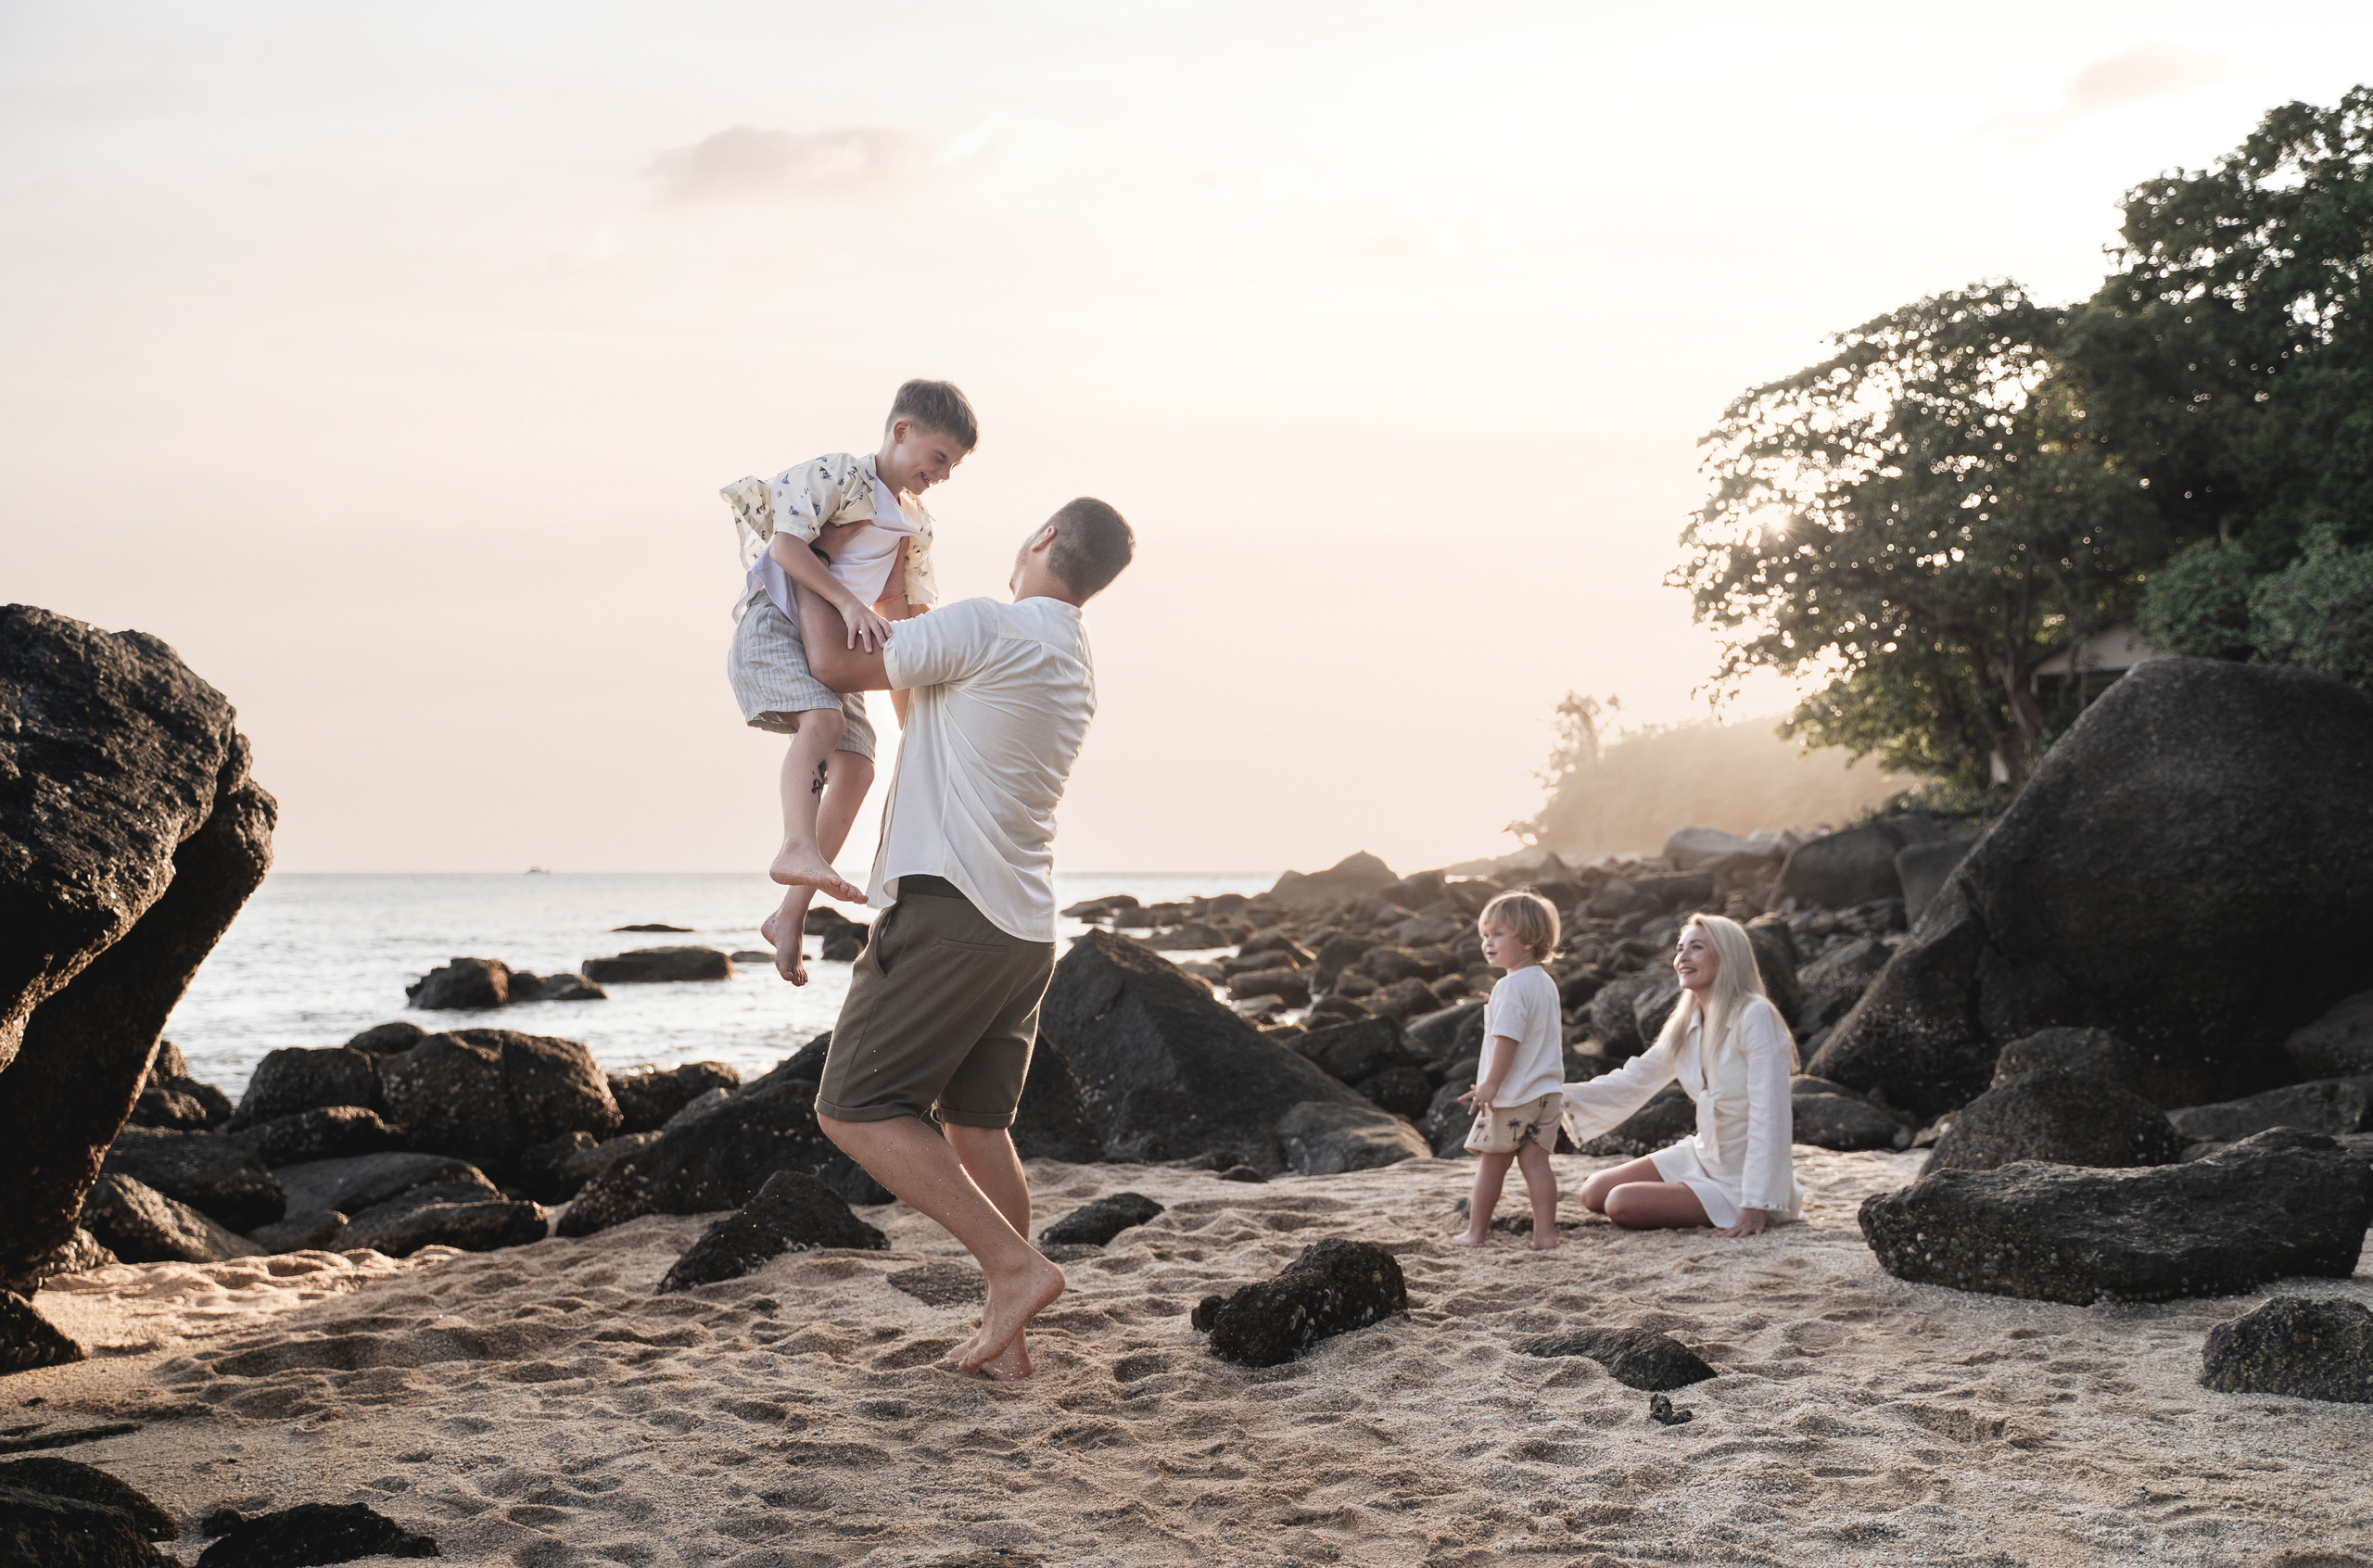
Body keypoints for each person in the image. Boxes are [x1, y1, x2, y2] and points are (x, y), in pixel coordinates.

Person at [798, 497, 1136, 1381]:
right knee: (978, 1130)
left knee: (854, 1108)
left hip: (950, 909)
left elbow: (831, 659)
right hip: (1021, 928)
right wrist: (909, 592)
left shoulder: (991, 625)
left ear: (1045, 540)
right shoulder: (1067, 657)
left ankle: (1016, 1268)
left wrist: (795, 560)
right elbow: (920, 712)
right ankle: (1009, 1344)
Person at [718, 379, 977, 984]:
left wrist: (920, 724)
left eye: (953, 466)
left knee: (860, 765)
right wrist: (847, 603)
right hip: (777, 624)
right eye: (938, 457)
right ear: (901, 432)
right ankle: (794, 844)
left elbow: (899, 612)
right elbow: (787, 548)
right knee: (824, 722)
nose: (942, 473)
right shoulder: (839, 475)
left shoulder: (914, 524)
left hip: (836, 636)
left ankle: (788, 916)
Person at [1561, 913, 1803, 1239]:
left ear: (1727, 956)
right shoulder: (1687, 1021)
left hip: (1741, 1180)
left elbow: (1771, 1114)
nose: (1682, 958)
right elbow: (1634, 1079)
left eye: (1696, 948)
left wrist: (1754, 1204)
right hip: (1701, 1156)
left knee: (1620, 1203)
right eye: (1680, 948)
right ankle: (1688, 1191)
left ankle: (1732, 1200)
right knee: (1594, 1192)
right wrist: (1551, 1095)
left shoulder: (1755, 1015)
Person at [1450, 891, 1567, 1250]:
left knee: (1491, 1165)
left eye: (1498, 934)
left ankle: (1476, 1233)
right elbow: (1530, 1025)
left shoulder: (1510, 986)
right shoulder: (1543, 982)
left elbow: (1507, 1040)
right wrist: (1496, 1005)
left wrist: (1489, 1084)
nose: (1488, 943)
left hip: (1513, 1096)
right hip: (1547, 1094)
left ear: (1529, 939)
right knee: (1536, 1164)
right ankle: (1545, 1235)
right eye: (1485, 935)